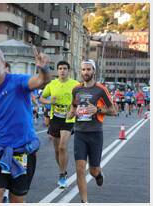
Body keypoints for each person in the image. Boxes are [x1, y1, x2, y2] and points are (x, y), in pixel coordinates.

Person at [0, 44, 51, 203]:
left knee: (17, 199)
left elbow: (41, 81)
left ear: (3, 63)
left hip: (23, 150)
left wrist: (44, 69)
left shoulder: (17, 81)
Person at [67, 59, 116, 203]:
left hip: (95, 134)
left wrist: (98, 109)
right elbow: (73, 108)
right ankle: (84, 201)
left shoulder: (100, 89)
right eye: (83, 70)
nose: (85, 72)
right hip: (80, 133)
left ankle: (98, 174)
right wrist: (71, 114)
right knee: (80, 168)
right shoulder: (76, 89)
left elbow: (114, 110)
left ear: (94, 71)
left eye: (88, 69)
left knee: (93, 170)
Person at [39, 61, 79, 188]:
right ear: (57, 71)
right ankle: (63, 171)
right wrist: (49, 101)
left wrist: (75, 109)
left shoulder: (75, 84)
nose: (62, 71)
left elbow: (82, 98)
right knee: (57, 150)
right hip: (55, 118)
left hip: (69, 119)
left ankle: (61, 175)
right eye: (60, 68)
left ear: (69, 70)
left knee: (62, 147)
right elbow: (41, 98)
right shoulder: (52, 84)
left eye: (65, 68)